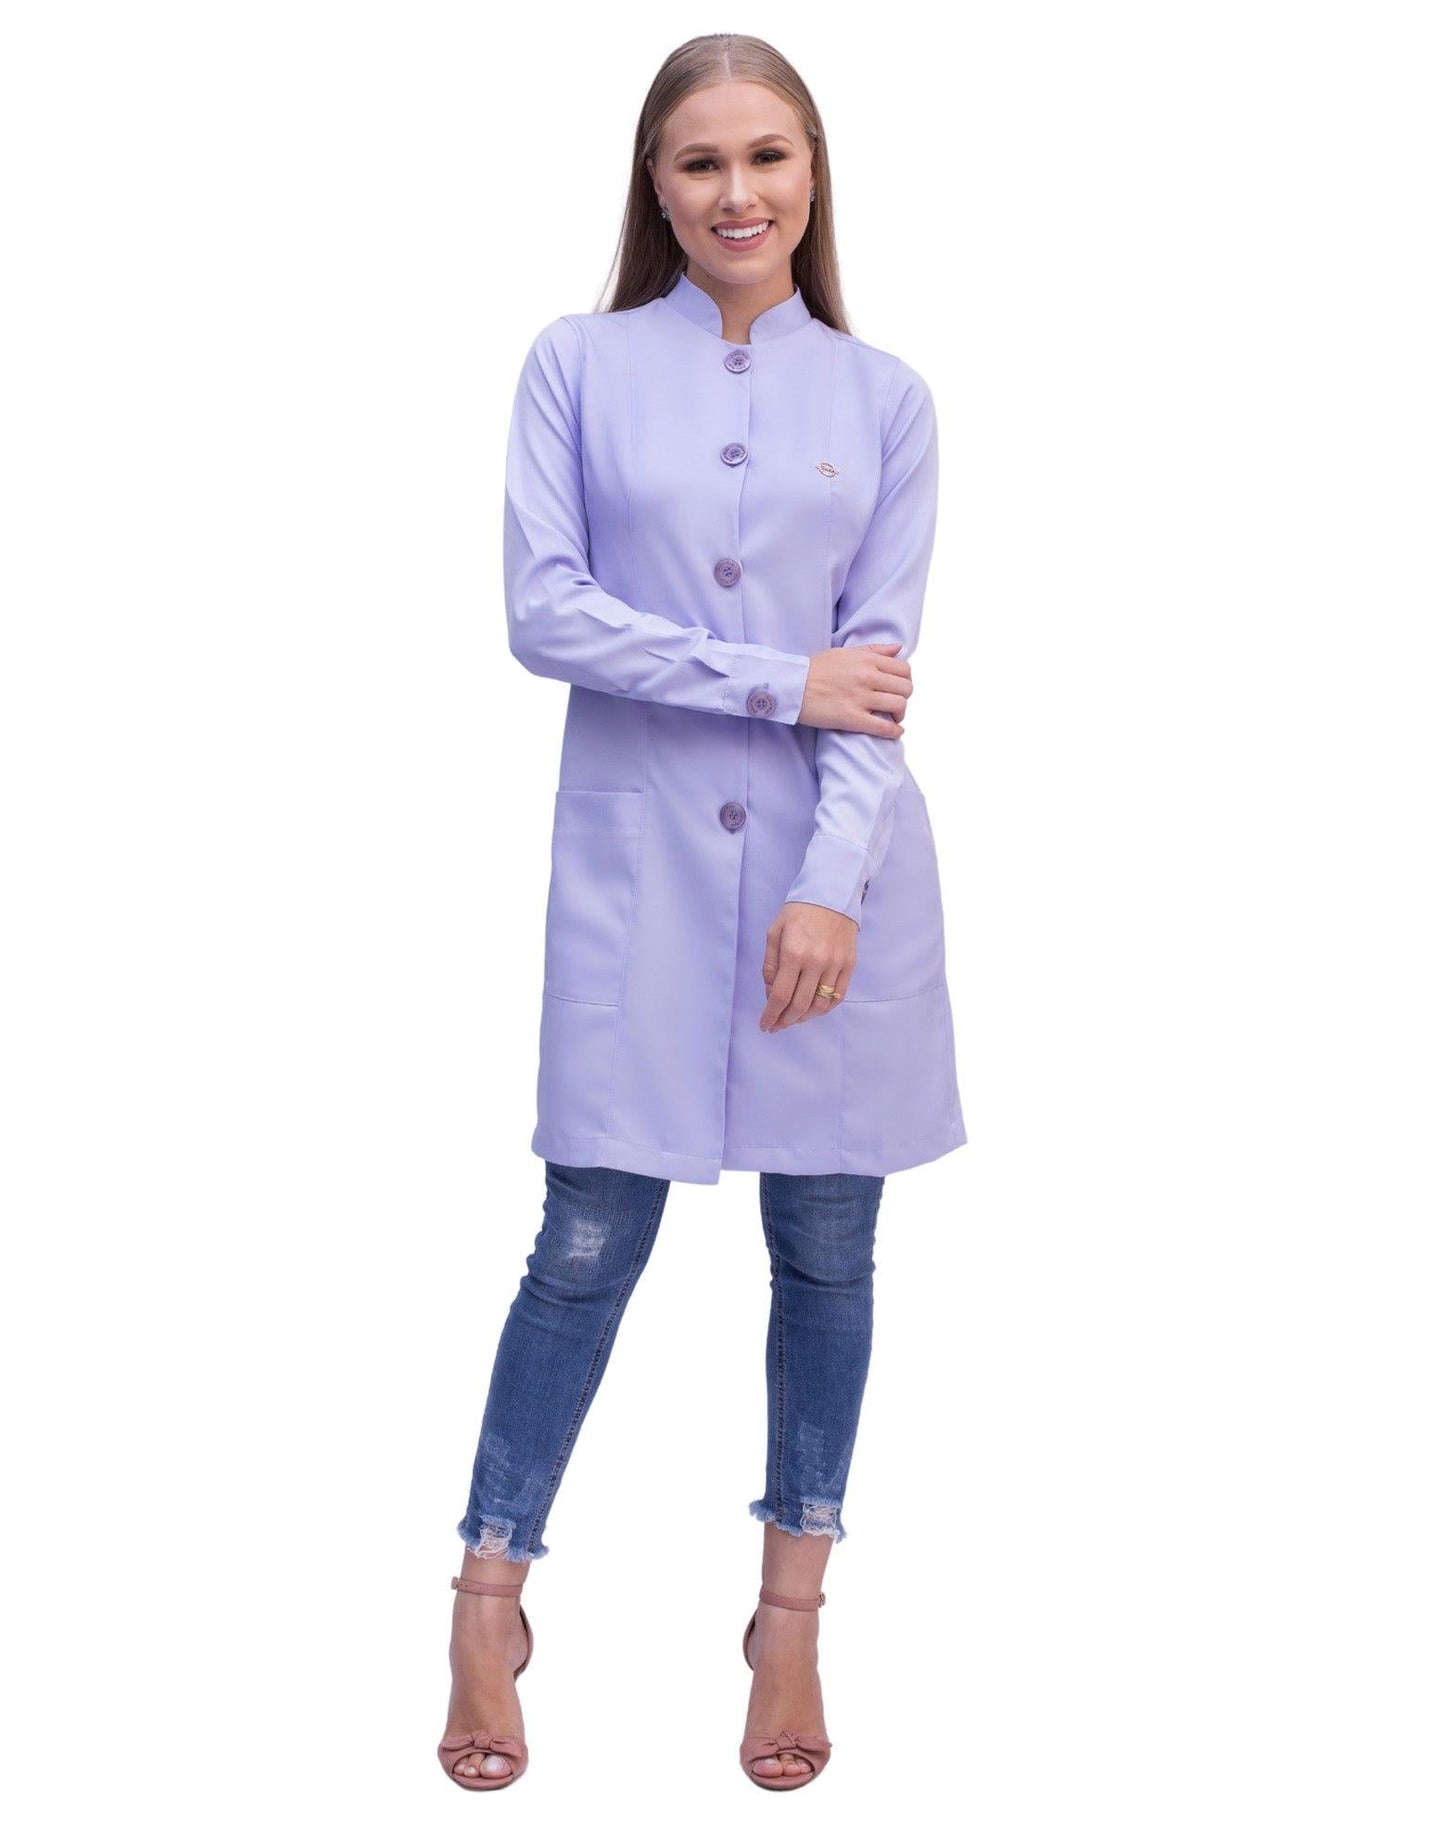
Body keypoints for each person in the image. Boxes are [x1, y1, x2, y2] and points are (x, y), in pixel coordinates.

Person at [437, 32, 967, 1793]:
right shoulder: (576, 365)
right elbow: (545, 614)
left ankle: (789, 1611)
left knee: (827, 1254)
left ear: (811, 175)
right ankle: (489, 1592)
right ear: (654, 187)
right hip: (640, 873)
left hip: (838, 884)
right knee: (584, 1242)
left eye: (767, 157)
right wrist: (772, 679)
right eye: (699, 162)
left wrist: (829, 886)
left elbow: (875, 680)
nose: (737, 193)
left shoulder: (884, 399)